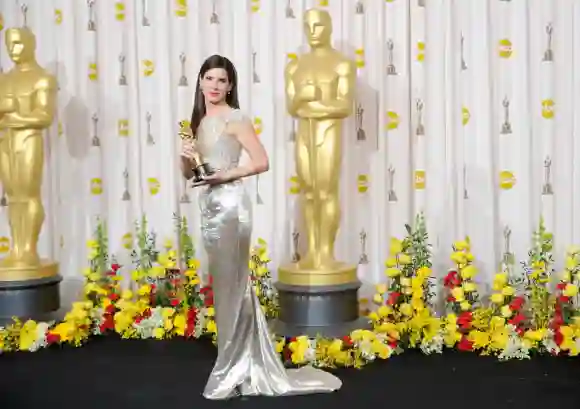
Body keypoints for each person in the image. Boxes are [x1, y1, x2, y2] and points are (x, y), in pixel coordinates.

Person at [179, 54, 342, 400]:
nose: (214, 86)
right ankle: (237, 363)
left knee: (233, 288)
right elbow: (191, 175)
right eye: (209, 78)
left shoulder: (236, 119)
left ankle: (234, 369)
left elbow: (262, 161)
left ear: (231, 85)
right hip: (209, 206)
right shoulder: (198, 120)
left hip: (232, 208)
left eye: (222, 80)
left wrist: (228, 174)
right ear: (200, 81)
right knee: (225, 288)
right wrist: (185, 154)